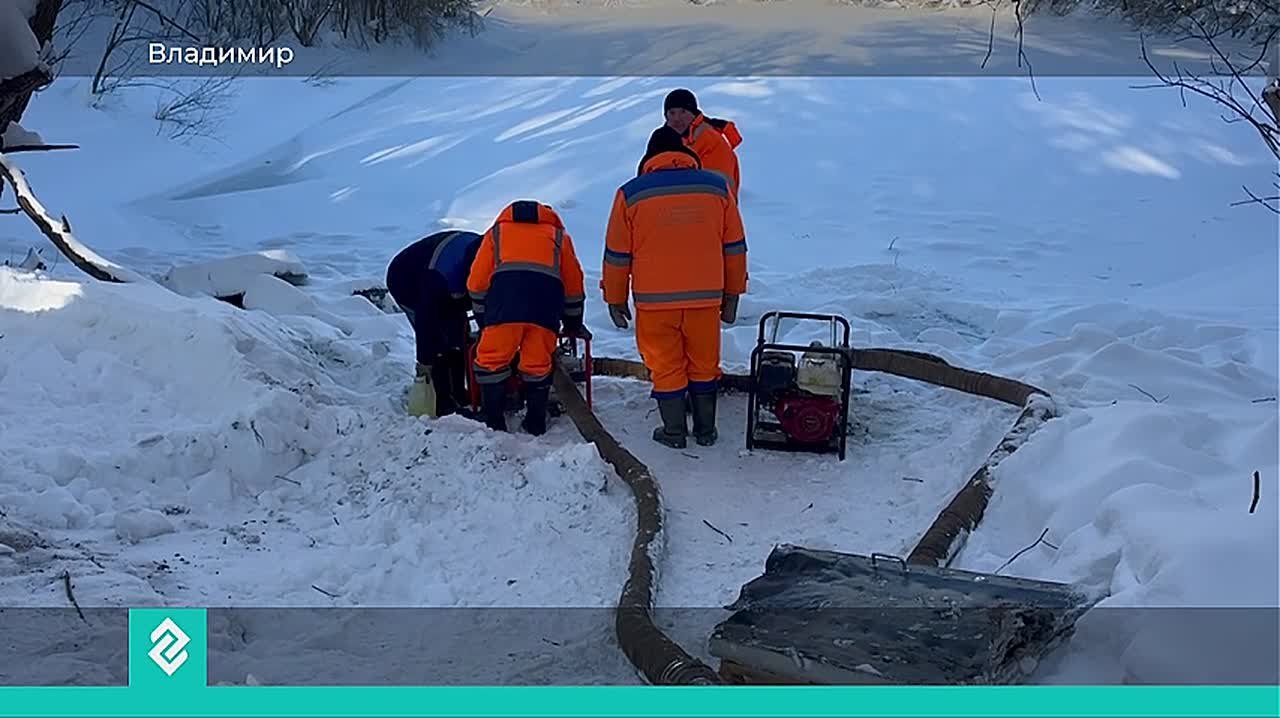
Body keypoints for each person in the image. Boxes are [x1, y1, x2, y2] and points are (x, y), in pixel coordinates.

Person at [604, 126, 748, 449]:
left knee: (666, 365)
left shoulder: (631, 194)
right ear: (688, 155)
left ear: (649, 158)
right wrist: (733, 292)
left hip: (655, 303)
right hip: (705, 298)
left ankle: (674, 431)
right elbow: (735, 246)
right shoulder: (717, 188)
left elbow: (617, 254)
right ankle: (706, 431)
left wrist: (615, 298)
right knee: (704, 362)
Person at [466, 200, 588, 436]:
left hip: (504, 307)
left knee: (492, 360)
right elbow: (574, 284)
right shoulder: (559, 237)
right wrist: (573, 322)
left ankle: (494, 420)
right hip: (545, 309)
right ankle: (535, 421)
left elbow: (477, 282)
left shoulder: (497, 234)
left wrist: (484, 318)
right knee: (537, 363)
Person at [385, 230, 483, 418]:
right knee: (437, 340)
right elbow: (425, 322)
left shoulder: (487, 259)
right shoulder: (440, 275)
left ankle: (459, 394)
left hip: (448, 281)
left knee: (458, 336)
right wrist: (424, 362)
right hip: (407, 281)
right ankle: (441, 399)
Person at [647, 88, 743, 200]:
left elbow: (720, 187)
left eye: (683, 111)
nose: (677, 119)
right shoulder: (664, 139)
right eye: (672, 113)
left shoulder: (709, 139)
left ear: (693, 114)